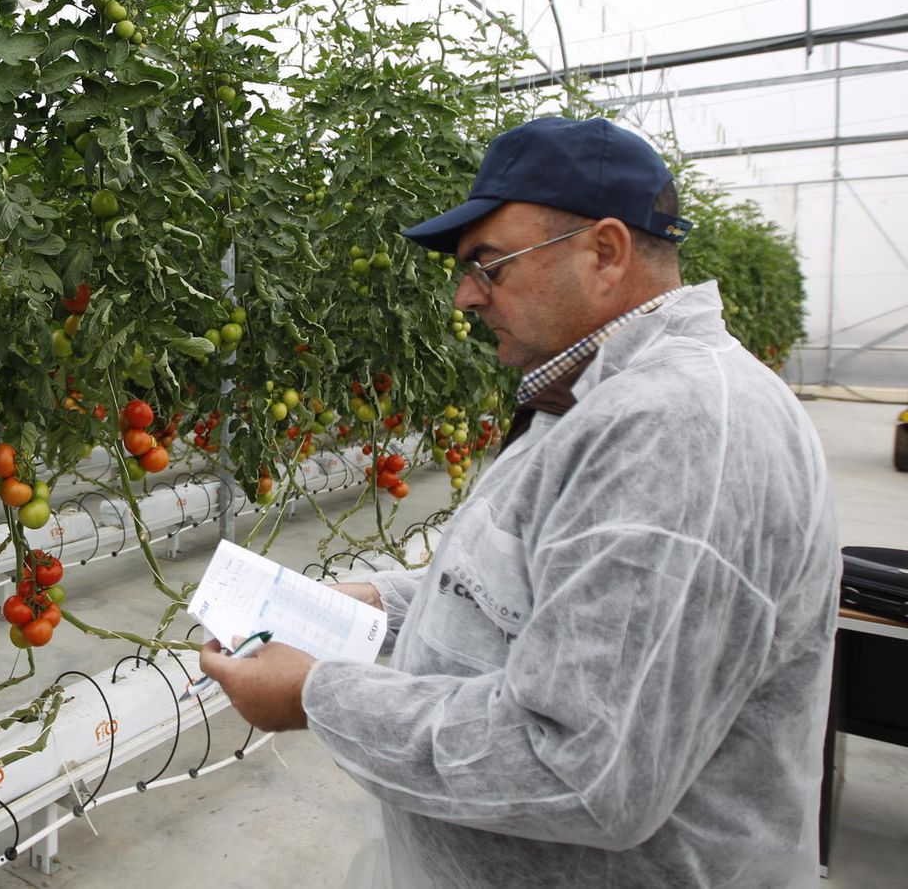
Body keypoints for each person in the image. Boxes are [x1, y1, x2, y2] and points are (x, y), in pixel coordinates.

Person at [200, 116, 840, 887]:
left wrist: (316, 693)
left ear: (606, 252)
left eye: (490, 265)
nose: (467, 297)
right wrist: (377, 603)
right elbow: (535, 589)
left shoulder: (676, 432)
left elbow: (577, 766)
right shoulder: (591, 396)